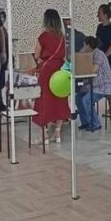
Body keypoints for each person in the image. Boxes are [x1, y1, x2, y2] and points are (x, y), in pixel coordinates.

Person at [31, 9, 70, 143]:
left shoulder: (43, 36)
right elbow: (64, 55)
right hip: (60, 71)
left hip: (46, 70)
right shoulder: (62, 37)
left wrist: (40, 61)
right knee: (60, 99)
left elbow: (37, 54)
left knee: (44, 100)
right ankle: (58, 133)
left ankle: (44, 134)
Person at [77, 36, 111, 132]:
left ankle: (95, 123)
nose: (83, 47)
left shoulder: (99, 54)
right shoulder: (89, 54)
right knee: (78, 97)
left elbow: (93, 70)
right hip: (91, 86)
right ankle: (85, 122)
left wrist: (82, 56)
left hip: (102, 87)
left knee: (86, 100)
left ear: (88, 45)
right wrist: (81, 54)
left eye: (84, 45)